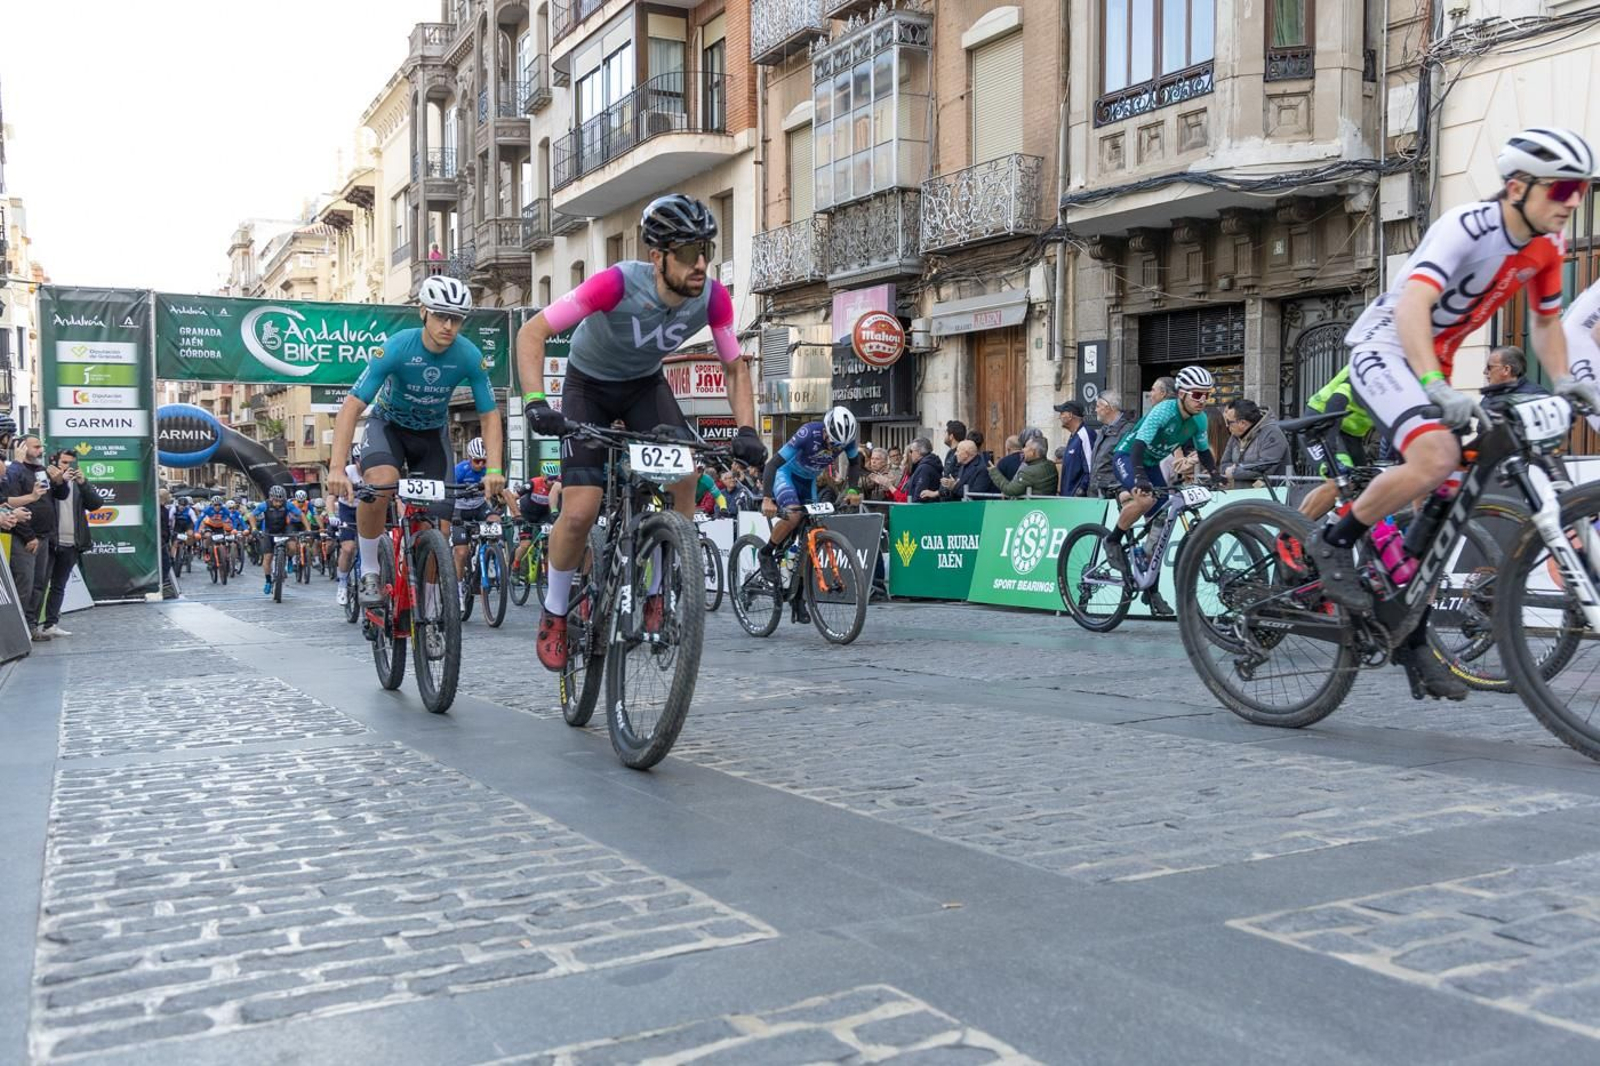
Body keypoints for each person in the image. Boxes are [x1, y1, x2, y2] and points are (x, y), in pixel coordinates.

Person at [1313, 126, 1600, 700]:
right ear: (1517, 187)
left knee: (1447, 497)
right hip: (1387, 347)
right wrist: (1432, 384)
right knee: (1436, 455)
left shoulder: (1547, 246)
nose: (1572, 201)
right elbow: (1413, 306)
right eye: (1561, 189)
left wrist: (1568, 381)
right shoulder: (1467, 226)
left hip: (1434, 362)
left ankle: (1409, 632)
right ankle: (1335, 541)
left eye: (1581, 191)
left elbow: (1546, 323)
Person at [515, 194, 765, 670]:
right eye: (687, 253)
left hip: (643, 386)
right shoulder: (615, 284)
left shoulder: (713, 297)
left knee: (685, 475)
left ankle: (657, 591)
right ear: (658, 257)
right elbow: (533, 332)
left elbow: (734, 368)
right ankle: (555, 609)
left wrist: (747, 429)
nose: (700, 264)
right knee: (580, 510)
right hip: (588, 385)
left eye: (706, 251)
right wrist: (535, 402)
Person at [328, 275, 505, 644]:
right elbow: (352, 406)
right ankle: (370, 571)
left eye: (456, 319)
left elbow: (489, 415)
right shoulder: (397, 347)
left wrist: (494, 468)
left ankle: (431, 611)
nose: (448, 326)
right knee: (379, 484)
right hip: (388, 428)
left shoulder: (469, 356)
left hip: (431, 438)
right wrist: (335, 468)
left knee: (437, 530)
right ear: (423, 312)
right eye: (441, 316)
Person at [1104, 365, 1220, 569]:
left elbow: (1203, 451)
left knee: (1163, 514)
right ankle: (1112, 540)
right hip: (1128, 456)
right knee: (1146, 499)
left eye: (1207, 395)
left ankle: (1147, 559)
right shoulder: (1163, 411)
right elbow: (1138, 446)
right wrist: (1140, 476)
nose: (1202, 400)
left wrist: (1215, 474)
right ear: (1182, 394)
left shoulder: (1200, 419)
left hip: (1150, 463)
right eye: (1197, 394)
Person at [759, 406, 860, 583]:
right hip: (786, 474)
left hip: (809, 480)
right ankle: (766, 552)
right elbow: (772, 464)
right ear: (825, 429)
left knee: (813, 528)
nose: (835, 447)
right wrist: (767, 499)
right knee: (794, 515)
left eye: (839, 445)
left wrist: (853, 490)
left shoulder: (848, 440)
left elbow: (855, 463)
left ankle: (798, 591)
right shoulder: (808, 433)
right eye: (833, 442)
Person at [4, 433, 69, 641]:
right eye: (36, 447)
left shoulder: (41, 470)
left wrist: (59, 482)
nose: (40, 450)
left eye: (41, 446)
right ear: (22, 448)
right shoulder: (15, 471)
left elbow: (57, 496)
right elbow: (9, 503)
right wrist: (28, 536)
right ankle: (17, 631)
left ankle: (31, 626)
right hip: (24, 537)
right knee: (25, 584)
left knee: (39, 585)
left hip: (44, 536)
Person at [38, 448, 104, 637]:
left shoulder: (79, 483)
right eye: (65, 462)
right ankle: (31, 625)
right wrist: (58, 481)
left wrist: (83, 483)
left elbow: (96, 504)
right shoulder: (45, 479)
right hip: (50, 541)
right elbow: (39, 501)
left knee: (59, 585)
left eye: (72, 463)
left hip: (71, 542)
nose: (68, 467)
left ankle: (51, 624)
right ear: (55, 462)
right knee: (40, 585)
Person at [1218, 398, 1290, 487]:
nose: (1226, 425)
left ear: (1242, 423)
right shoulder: (1235, 435)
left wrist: (1234, 471)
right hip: (1242, 492)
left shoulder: (1272, 434)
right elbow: (1224, 465)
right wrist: (1233, 471)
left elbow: (1265, 467)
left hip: (1272, 492)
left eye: (1229, 422)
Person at [450, 436, 491, 590]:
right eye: (477, 461)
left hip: (479, 506)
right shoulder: (460, 470)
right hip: (460, 509)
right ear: (469, 458)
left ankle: (491, 554)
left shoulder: (489, 469)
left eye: (484, 461)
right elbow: (447, 492)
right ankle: (458, 587)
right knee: (461, 552)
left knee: (495, 520)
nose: (481, 465)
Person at [251, 486, 306, 594]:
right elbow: (252, 515)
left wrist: (308, 529)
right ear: (271, 498)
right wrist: (254, 528)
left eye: (281, 501)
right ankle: (268, 581)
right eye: (276, 501)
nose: (278, 503)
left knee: (292, 547)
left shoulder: (287, 504)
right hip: (269, 531)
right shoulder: (265, 505)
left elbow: (301, 515)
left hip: (284, 529)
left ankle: (290, 560)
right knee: (267, 558)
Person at [333, 442, 364, 607]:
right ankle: (343, 583)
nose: (362, 464)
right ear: (355, 460)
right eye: (359, 460)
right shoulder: (349, 471)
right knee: (348, 548)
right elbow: (335, 493)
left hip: (367, 508)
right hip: (348, 509)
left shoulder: (374, 471)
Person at [1088, 392, 1136, 497]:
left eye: (1097, 406)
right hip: (1098, 494)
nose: (1095, 410)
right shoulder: (1103, 430)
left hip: (1114, 495)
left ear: (1108, 408)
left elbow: (1128, 463)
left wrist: (1118, 490)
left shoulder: (1128, 430)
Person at [988, 437, 1057, 497]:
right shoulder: (1051, 465)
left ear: (1032, 452)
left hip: (1031, 507)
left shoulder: (1028, 472)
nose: (1023, 450)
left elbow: (1010, 490)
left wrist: (994, 471)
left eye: (1026, 447)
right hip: (1047, 506)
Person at [1054, 400, 1096, 497]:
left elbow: (1091, 467)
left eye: (1062, 413)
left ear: (1070, 415)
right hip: (1069, 498)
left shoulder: (1085, 434)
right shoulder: (1074, 436)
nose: (1059, 417)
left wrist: (1081, 490)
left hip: (1079, 499)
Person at [1480, 345, 1545, 400]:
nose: (1485, 372)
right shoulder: (1490, 395)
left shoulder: (1536, 396)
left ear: (1506, 369)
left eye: (1489, 367)